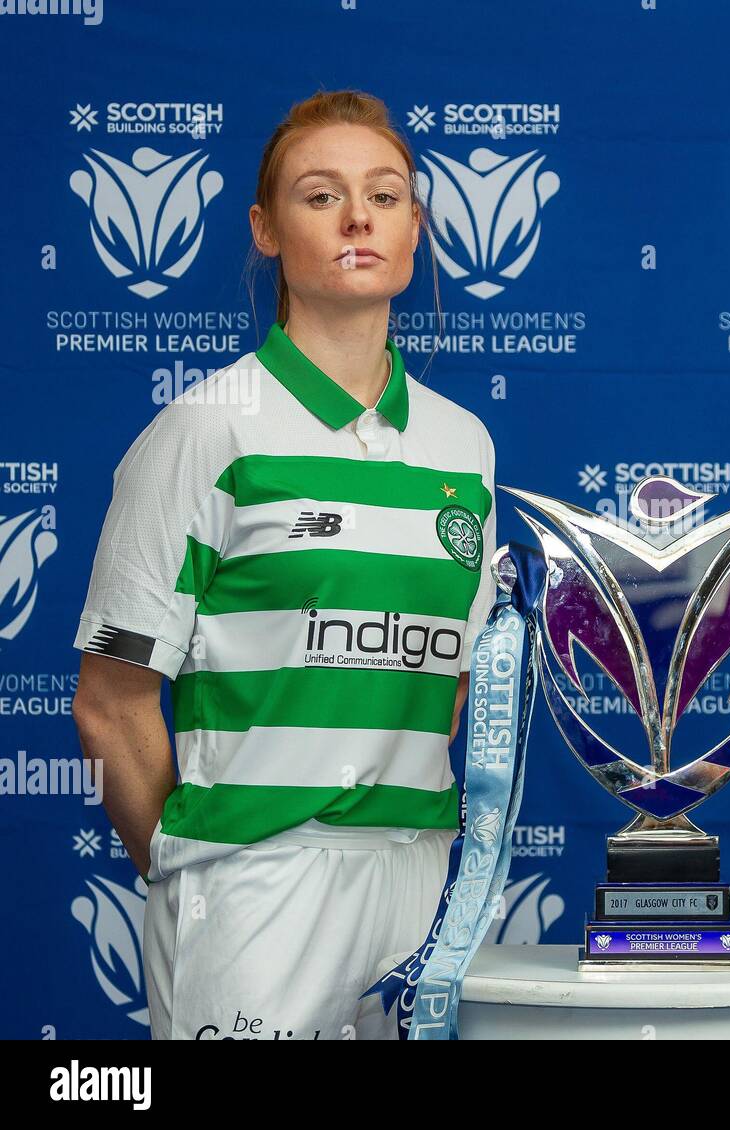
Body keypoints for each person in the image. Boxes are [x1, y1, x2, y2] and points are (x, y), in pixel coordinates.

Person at [70, 90, 496, 1040]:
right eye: (319, 195)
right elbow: (111, 699)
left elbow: (453, 679)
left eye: (385, 195)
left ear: (416, 227)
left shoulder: (464, 446)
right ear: (265, 230)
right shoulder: (205, 429)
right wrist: (202, 867)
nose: (356, 217)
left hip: (422, 883)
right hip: (255, 884)